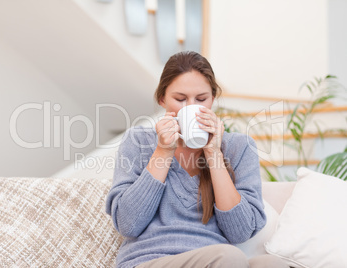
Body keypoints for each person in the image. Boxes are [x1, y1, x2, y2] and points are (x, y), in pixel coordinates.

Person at [105, 51, 288, 268]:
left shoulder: (239, 147)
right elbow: (128, 223)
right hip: (150, 260)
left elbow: (241, 232)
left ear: (212, 99)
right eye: (180, 99)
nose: (190, 107)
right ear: (162, 99)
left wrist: (214, 153)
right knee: (229, 258)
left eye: (201, 99)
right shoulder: (138, 141)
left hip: (218, 260)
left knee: (271, 264)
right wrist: (163, 152)